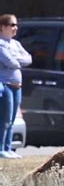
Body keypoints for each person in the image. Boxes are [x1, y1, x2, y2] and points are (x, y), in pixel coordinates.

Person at [0, 14, 32, 159]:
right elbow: (10, 62)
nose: (15, 28)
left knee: (12, 120)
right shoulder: (0, 44)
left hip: (17, 87)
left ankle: (8, 148)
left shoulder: (16, 44)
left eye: (15, 25)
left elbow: (29, 58)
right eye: (12, 25)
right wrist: (18, 59)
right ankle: (1, 148)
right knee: (5, 119)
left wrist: (16, 58)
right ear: (2, 27)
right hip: (5, 85)